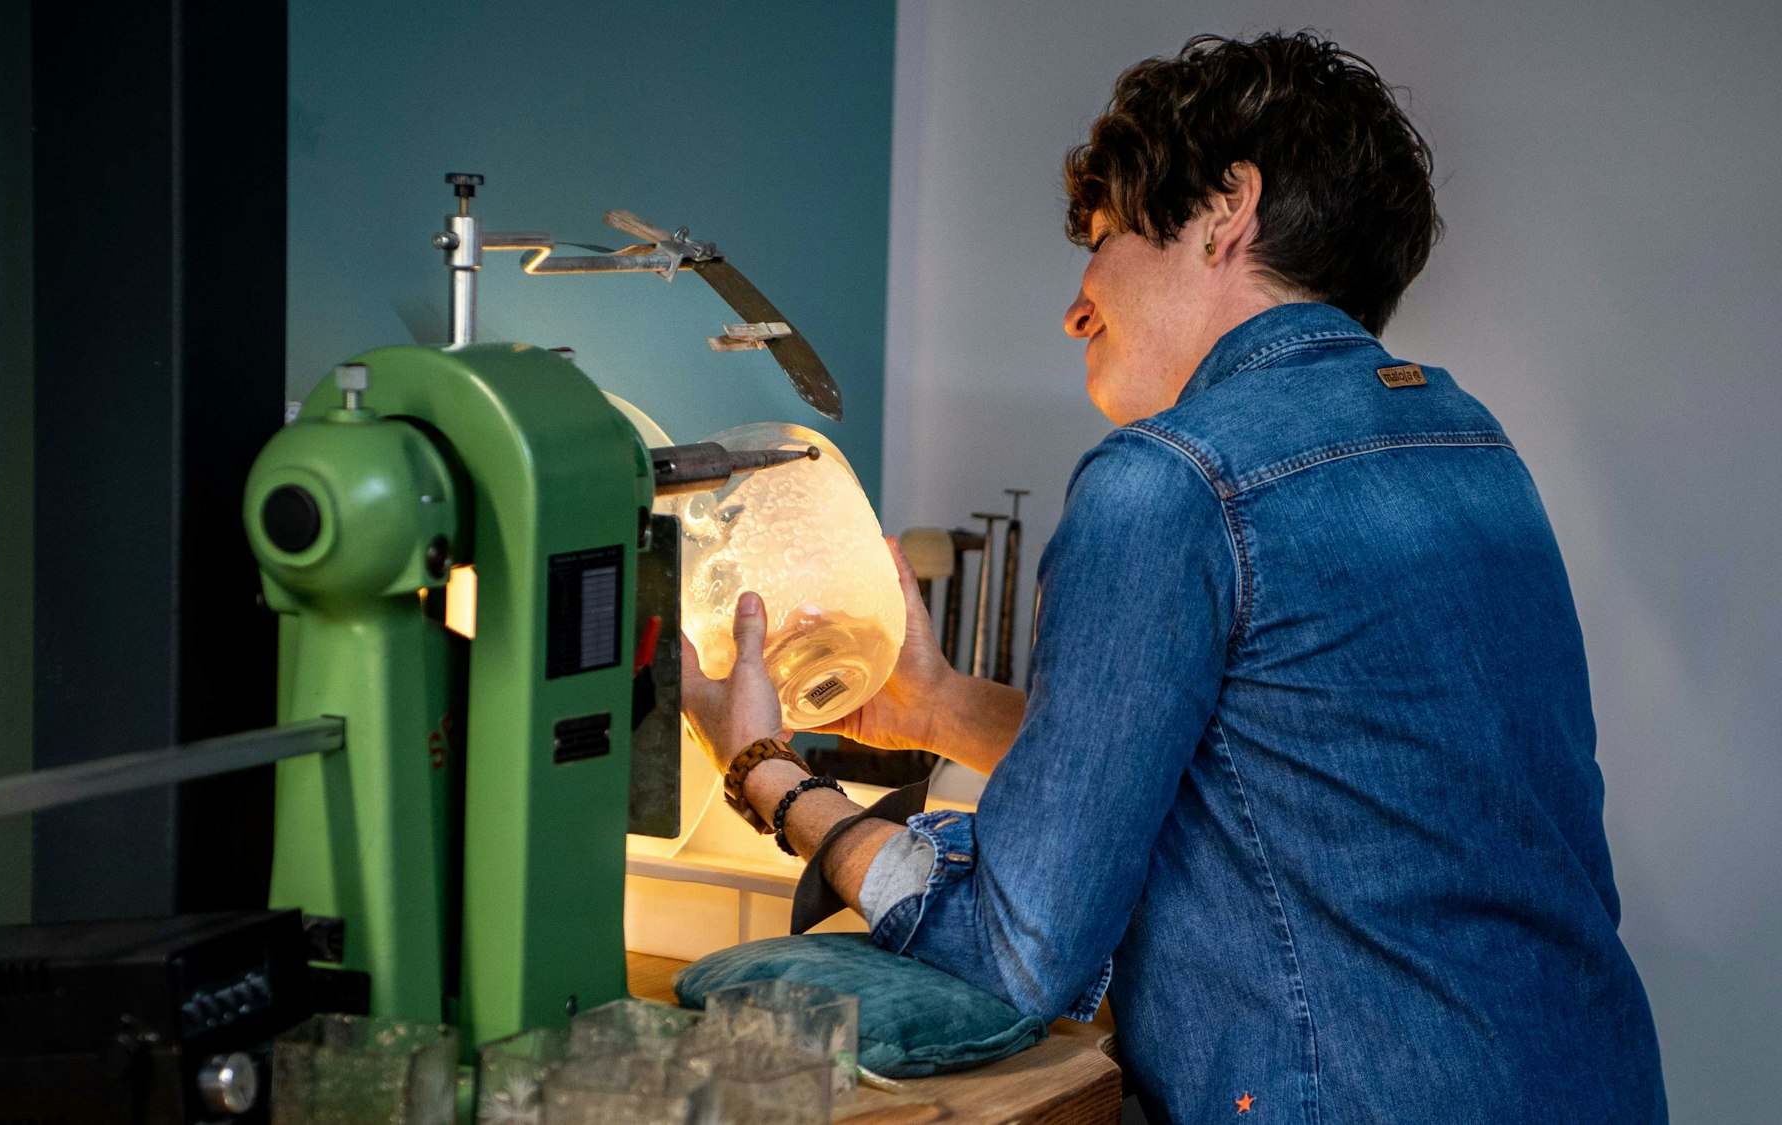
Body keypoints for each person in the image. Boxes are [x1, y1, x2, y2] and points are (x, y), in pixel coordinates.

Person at [680, 31, 1666, 1125]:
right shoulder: (1465, 443)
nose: (1076, 303)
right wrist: (939, 708)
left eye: (1101, 240)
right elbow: (1268, 778)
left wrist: (765, 770)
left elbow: (1019, 954)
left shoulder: (1167, 484)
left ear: (1225, 210)